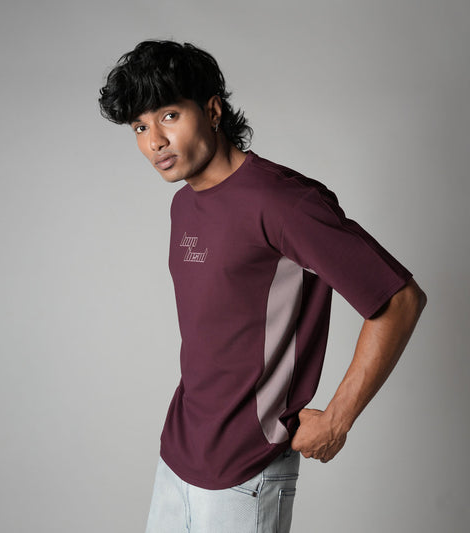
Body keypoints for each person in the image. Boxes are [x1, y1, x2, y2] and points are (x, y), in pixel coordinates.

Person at [98, 39, 427, 533]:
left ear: (212, 111)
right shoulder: (183, 205)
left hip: (246, 473)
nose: (154, 142)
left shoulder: (282, 202)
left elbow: (399, 299)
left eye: (168, 116)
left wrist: (337, 419)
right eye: (140, 127)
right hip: (177, 457)